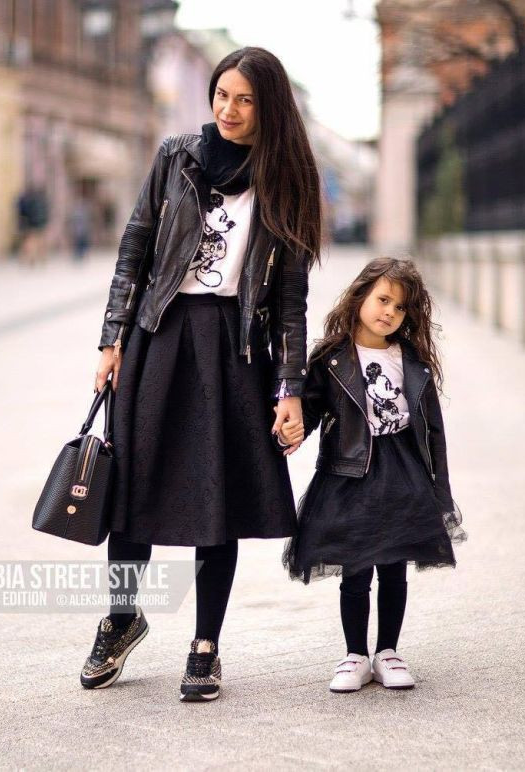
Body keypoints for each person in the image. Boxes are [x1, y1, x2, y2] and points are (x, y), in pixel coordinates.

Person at [81, 47, 322, 701]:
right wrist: (111, 340)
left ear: (269, 107)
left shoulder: (286, 179)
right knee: (133, 488)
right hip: (158, 337)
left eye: (244, 99)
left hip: (233, 351)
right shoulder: (176, 156)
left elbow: (291, 300)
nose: (229, 109)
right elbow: (135, 248)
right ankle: (122, 617)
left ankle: (205, 647)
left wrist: (291, 388)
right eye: (221, 95)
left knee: (219, 499)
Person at [280, 257, 466, 692]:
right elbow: (310, 411)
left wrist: (440, 490)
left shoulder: (413, 360)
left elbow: (433, 432)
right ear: (360, 295)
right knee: (356, 568)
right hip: (350, 475)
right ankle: (355, 656)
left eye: (400, 307)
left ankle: (388, 652)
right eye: (383, 300)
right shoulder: (330, 358)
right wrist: (292, 429)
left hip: (403, 472)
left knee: (394, 567)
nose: (389, 312)